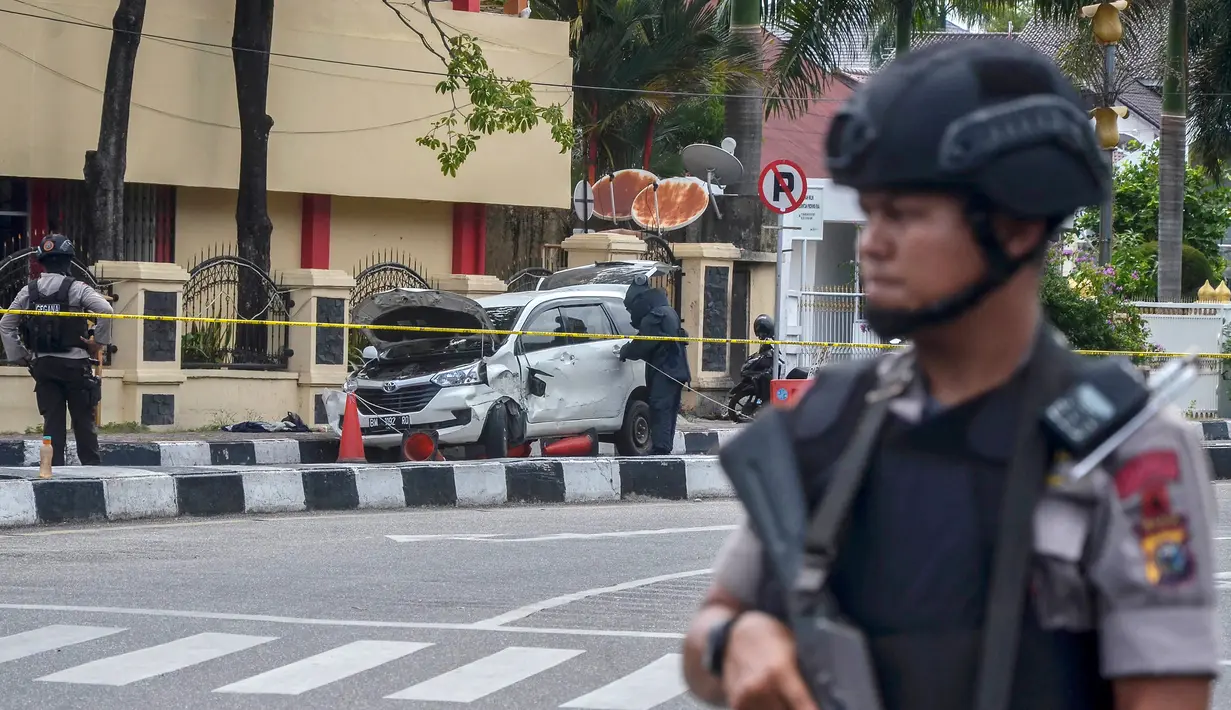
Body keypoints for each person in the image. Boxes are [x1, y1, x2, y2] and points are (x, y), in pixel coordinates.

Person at [682, 38, 1217, 710]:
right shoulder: (829, 424)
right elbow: (711, 627)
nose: (872, 242)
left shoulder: (1126, 451)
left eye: (903, 215)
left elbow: (1165, 695)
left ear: (1016, 225)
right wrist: (737, 639)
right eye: (871, 213)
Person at [0, 234, 114, 466]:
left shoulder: (28, 291)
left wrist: (21, 356)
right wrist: (97, 343)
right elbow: (106, 310)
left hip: (44, 366)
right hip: (75, 366)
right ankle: (92, 470)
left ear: (42, 262)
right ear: (68, 261)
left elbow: (6, 324)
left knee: (52, 423)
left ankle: (52, 471)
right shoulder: (77, 288)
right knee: (83, 422)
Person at [620, 275, 690, 454]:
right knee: (669, 410)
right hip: (676, 370)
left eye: (630, 309)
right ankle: (665, 447)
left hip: (666, 370)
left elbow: (642, 344)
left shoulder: (654, 316)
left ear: (639, 302)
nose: (631, 314)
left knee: (660, 408)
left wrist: (625, 351)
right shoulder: (668, 311)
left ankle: (661, 449)